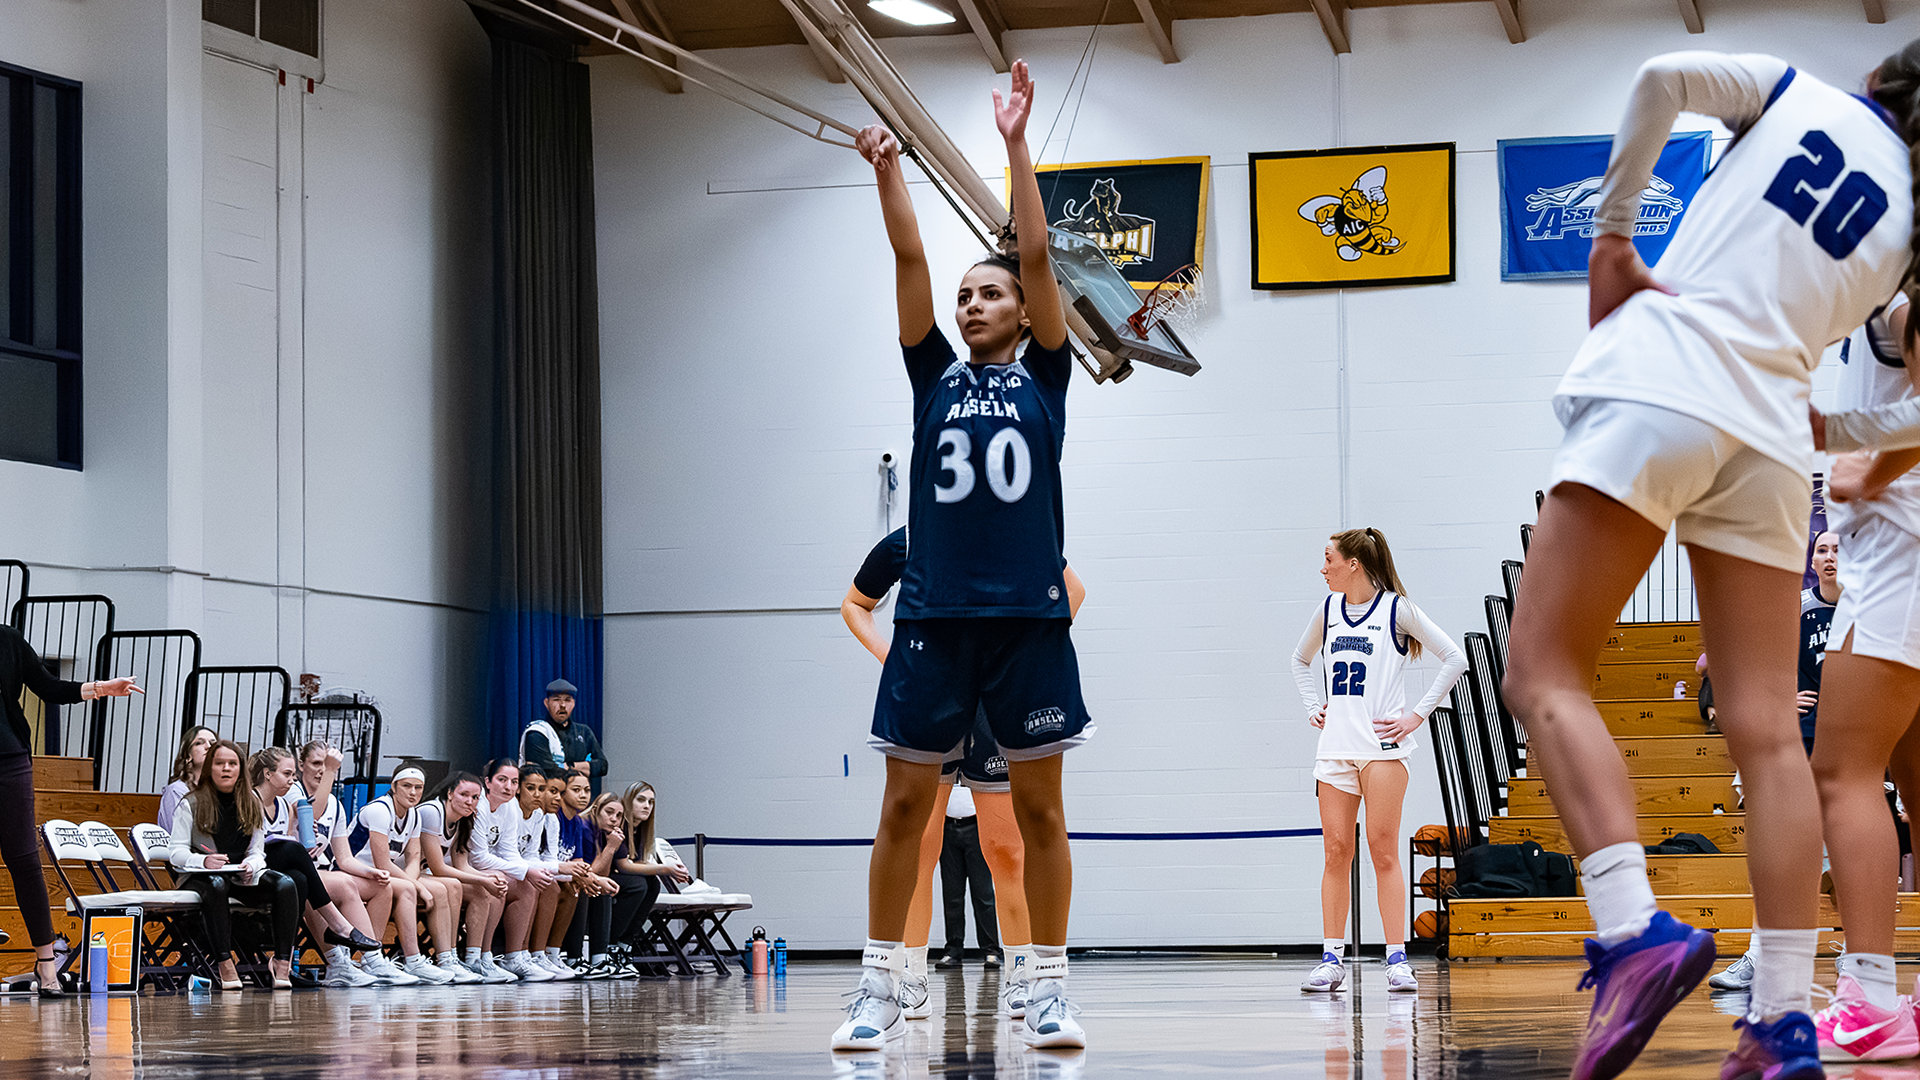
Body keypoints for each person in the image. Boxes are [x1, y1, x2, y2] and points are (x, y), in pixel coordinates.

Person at [1503, 43, 1916, 1080]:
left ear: (1882, 79)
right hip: (1773, 434)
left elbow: (1659, 77)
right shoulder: (1912, 228)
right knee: (1769, 735)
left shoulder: (1795, 90)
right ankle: (1781, 1023)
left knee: (1543, 671)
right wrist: (1832, 429)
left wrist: (1612, 235)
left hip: (1667, 376)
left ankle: (1630, 927)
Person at [836, 60, 1092, 1053]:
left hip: (1027, 620)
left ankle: (1048, 989)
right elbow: (908, 259)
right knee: (903, 807)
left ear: (1026, 312)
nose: (974, 303)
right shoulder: (933, 374)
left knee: (1039, 818)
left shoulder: (1048, 377)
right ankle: (879, 986)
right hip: (935, 621)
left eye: (992, 293)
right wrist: (887, 171)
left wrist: (1017, 146)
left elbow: (1037, 250)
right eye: (966, 295)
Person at [842, 525, 1076, 1019]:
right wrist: (893, 659)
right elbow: (854, 604)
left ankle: (1021, 973)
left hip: (992, 708)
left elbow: (1072, 590)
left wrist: (1021, 659)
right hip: (930, 696)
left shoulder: (1011, 531)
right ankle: (912, 977)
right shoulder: (909, 540)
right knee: (919, 848)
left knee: (1006, 850)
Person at [1793, 293, 1920, 1062]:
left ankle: (1869, 1002)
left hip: (1898, 560)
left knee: (1841, 773)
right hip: (1902, 557)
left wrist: (1868, 472)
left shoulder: (1894, 298)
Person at [1292, 528, 1466, 996]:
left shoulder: (1396, 609)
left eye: (1328, 559)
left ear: (1353, 564)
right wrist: (1312, 705)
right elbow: (1299, 660)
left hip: (1382, 750)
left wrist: (1416, 716)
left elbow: (1454, 658)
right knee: (1335, 852)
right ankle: (1331, 958)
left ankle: (1397, 960)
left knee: (1383, 851)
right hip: (1335, 749)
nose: (1323, 568)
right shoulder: (1328, 610)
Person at [0, 625, 141, 997]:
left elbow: (48, 687)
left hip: (10, 759)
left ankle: (47, 964)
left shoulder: (7, 640)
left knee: (24, 859)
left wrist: (100, 688)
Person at [169, 739, 301, 990]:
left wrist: (251, 864)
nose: (226, 768)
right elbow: (176, 853)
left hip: (238, 875)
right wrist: (203, 860)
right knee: (217, 884)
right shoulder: (190, 802)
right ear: (210, 768)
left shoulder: (252, 802)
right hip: (200, 875)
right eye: (220, 763)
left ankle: (282, 963)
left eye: (232, 763)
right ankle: (224, 963)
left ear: (241, 769)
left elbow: (257, 851)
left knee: (285, 884)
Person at [249, 747, 384, 987]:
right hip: (249, 870)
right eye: (287, 774)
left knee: (300, 880)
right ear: (268, 774)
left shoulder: (282, 805)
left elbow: (287, 843)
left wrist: (298, 834)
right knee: (297, 855)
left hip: (274, 873)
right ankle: (339, 927)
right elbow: (254, 848)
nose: (292, 780)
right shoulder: (251, 800)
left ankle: (283, 965)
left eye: (293, 775)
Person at [296, 740, 420, 986]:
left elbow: (344, 858)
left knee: (383, 886)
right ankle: (337, 964)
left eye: (326, 765)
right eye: (317, 763)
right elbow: (312, 815)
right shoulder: (293, 794)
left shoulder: (335, 804)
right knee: (325, 885)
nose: (321, 770)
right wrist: (331, 771)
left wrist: (370, 872)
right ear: (301, 765)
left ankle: (371, 959)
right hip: (301, 873)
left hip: (328, 872)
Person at [350, 767, 458, 983]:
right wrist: (417, 886)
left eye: (418, 787)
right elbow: (382, 863)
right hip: (354, 871)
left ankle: (446, 958)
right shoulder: (380, 810)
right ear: (393, 786)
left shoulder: (414, 815)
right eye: (407, 786)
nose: (413, 792)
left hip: (379, 876)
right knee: (407, 888)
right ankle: (405, 960)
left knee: (436, 887)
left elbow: (414, 859)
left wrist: (413, 882)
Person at [419, 771, 517, 983]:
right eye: (464, 794)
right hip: (408, 873)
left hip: (427, 875)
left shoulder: (463, 820)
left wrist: (488, 878)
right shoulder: (432, 811)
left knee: (483, 888)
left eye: (475, 797)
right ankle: (448, 958)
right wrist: (483, 879)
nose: (470, 801)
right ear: (449, 793)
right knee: (455, 885)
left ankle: (475, 959)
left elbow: (461, 865)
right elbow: (438, 868)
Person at [469, 758, 558, 981]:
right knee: (499, 880)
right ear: (488, 782)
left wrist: (527, 872)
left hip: (488, 868)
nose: (508, 787)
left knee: (527, 886)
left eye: (514, 782)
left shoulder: (509, 806)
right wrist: (526, 870)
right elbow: (478, 858)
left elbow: (509, 852)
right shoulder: (478, 805)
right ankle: (483, 958)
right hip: (465, 868)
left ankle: (515, 957)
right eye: (502, 780)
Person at [609, 782, 681, 971]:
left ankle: (625, 944)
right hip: (601, 874)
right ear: (628, 801)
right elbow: (623, 866)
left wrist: (669, 868)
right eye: (641, 800)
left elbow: (637, 862)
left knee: (652, 884)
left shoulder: (641, 829)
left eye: (651, 802)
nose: (647, 806)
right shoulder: (620, 824)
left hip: (618, 876)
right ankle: (611, 945)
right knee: (638, 885)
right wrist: (664, 869)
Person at [551, 771, 615, 974]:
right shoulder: (555, 818)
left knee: (590, 886)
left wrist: (595, 879)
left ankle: (593, 958)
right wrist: (590, 877)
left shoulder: (577, 821)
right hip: (549, 873)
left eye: (587, 790)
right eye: (576, 790)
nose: (583, 795)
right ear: (562, 792)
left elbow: (578, 861)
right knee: (577, 886)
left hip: (564, 874)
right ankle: (567, 955)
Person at [938, 783, 998, 969]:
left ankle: (991, 951)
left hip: (977, 827)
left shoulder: (974, 766)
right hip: (947, 828)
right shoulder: (944, 767)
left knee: (983, 895)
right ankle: (953, 951)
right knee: (952, 895)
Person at [520, 679, 608, 793]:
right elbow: (548, 769)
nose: (562, 705)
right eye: (556, 700)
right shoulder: (538, 732)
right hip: (548, 796)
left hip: (580, 795)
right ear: (546, 703)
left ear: (574, 703)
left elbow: (602, 766)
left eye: (567, 700)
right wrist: (584, 767)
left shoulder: (584, 731)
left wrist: (570, 765)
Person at [578, 792, 628, 976]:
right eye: (609, 812)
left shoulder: (601, 832)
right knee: (596, 886)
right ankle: (577, 956)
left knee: (604, 888)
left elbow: (602, 874)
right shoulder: (584, 827)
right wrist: (611, 847)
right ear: (596, 810)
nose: (614, 819)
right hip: (571, 878)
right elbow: (588, 872)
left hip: (586, 877)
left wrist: (610, 847)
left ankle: (600, 957)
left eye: (619, 815)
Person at [158, 725, 218, 833]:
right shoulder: (177, 791)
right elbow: (177, 833)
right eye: (199, 743)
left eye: (213, 743)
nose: (208, 746)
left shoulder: (222, 790)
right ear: (188, 755)